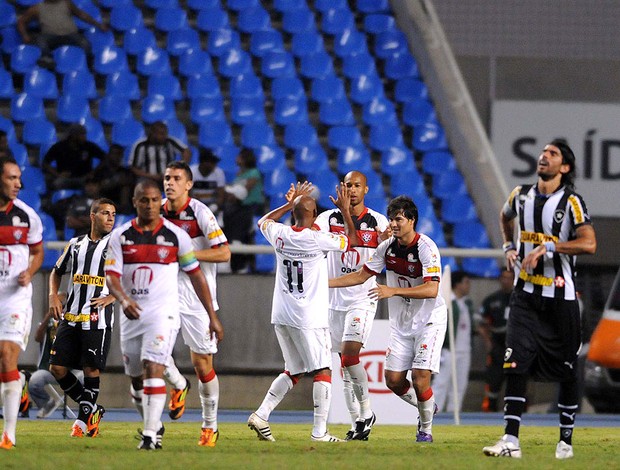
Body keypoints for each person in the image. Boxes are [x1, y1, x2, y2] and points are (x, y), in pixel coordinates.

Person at [483, 140, 597, 460]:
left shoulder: (572, 202)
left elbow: (589, 244)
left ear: (565, 167)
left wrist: (549, 248)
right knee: (514, 361)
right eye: (543, 152)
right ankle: (510, 440)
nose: (543, 156)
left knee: (567, 368)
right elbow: (505, 218)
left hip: (561, 298)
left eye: (553, 154)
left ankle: (565, 440)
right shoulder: (520, 195)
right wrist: (508, 246)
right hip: (525, 295)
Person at [104, 179, 223, 451]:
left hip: (164, 313)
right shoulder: (120, 236)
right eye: (143, 200)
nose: (149, 205)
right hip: (132, 314)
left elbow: (196, 276)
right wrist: (123, 300)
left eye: (154, 200)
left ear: (160, 202)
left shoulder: (176, 236)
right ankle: (155, 422)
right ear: (135, 202)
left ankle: (151, 436)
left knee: (153, 366)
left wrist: (212, 316)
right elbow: (111, 277)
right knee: (136, 377)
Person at [329, 195, 447, 443]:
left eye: (399, 219)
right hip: (402, 323)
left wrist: (392, 290)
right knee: (393, 381)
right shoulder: (386, 248)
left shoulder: (426, 248)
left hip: (429, 321)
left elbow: (432, 289)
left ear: (412, 220)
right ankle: (427, 405)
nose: (393, 224)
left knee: (419, 377)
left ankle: (425, 430)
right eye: (392, 219)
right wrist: (325, 284)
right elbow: (361, 275)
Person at [247, 181, 355, 443]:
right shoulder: (317, 239)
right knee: (323, 369)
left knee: (294, 369)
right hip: (308, 317)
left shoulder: (280, 234)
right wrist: (345, 211)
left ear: (293, 214)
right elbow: (349, 241)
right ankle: (320, 432)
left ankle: (261, 415)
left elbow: (263, 221)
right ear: (315, 215)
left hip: (282, 314)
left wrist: (288, 203)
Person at [314, 170, 389, 440]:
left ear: (366, 190)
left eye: (357, 185)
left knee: (349, 355)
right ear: (341, 188)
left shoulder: (378, 221)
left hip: (362, 298)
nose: (352, 189)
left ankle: (367, 411)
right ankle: (358, 421)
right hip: (333, 301)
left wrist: (384, 241)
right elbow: (314, 243)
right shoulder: (326, 219)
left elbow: (382, 251)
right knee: (343, 366)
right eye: (348, 185)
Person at [161, 161, 230, 447]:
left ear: (188, 184)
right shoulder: (158, 212)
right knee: (152, 352)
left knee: (202, 364)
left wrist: (188, 254)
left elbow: (224, 253)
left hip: (196, 298)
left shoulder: (200, 213)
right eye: (166, 178)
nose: (169, 183)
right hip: (162, 294)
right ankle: (178, 384)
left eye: (176, 178)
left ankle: (209, 426)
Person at [47, 198, 116, 437]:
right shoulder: (75, 244)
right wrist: (53, 296)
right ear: (93, 216)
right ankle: (93, 409)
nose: (110, 218)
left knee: (90, 370)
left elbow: (130, 276)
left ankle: (82, 423)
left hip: (97, 318)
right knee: (56, 368)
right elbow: (56, 271)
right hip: (71, 315)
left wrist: (114, 296)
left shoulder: (116, 245)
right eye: (105, 213)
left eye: (113, 214)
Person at [0, 156, 44, 450]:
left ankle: (9, 435)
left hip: (15, 299)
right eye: (11, 178)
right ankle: (18, 384)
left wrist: (30, 270)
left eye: (19, 178)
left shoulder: (27, 216)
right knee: (5, 366)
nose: (18, 184)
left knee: (6, 354)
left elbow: (38, 252)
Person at [432, 271, 476, 412]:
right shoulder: (447, 302)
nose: (468, 286)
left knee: (459, 385)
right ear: (457, 284)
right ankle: (433, 412)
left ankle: (453, 412)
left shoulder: (467, 303)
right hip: (448, 349)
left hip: (465, 350)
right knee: (441, 382)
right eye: (466, 282)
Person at [17, 0, 107, 62]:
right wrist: (25, 35)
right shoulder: (36, 8)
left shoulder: (66, 3)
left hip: (71, 35)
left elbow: (81, 15)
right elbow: (21, 21)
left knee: (85, 43)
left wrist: (98, 24)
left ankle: (87, 63)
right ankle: (47, 60)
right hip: (50, 37)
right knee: (40, 40)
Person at [223, 148, 265, 273]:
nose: (236, 159)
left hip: (252, 206)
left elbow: (245, 190)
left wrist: (235, 195)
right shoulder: (239, 174)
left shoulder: (254, 173)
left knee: (247, 232)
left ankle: (251, 263)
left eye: (239, 157)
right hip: (239, 207)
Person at [479, 269, 514, 412]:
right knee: (494, 380)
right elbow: (482, 324)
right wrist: (488, 342)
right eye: (503, 278)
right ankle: (489, 412)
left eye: (509, 278)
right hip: (497, 345)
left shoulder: (519, 298)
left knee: (515, 380)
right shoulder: (491, 300)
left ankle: (518, 412)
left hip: (515, 345)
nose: (506, 281)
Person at [42, 124, 105, 191]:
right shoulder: (59, 147)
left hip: (84, 178)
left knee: (92, 187)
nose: (85, 137)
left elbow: (104, 158)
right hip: (66, 178)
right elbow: (45, 163)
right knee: (56, 184)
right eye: (82, 135)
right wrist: (57, 174)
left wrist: (93, 172)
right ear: (73, 135)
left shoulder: (89, 146)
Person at [93, 144, 135, 215]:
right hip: (105, 198)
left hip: (120, 199)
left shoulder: (125, 171)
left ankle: (123, 211)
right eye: (115, 154)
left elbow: (130, 182)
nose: (117, 157)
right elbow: (97, 186)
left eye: (119, 154)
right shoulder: (100, 171)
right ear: (109, 155)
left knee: (126, 189)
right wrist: (115, 182)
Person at [189, 148, 226, 221]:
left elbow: (221, 195)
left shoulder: (219, 172)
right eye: (212, 162)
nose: (214, 165)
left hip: (212, 205)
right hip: (195, 205)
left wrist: (215, 206)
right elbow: (187, 193)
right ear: (203, 162)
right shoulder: (191, 172)